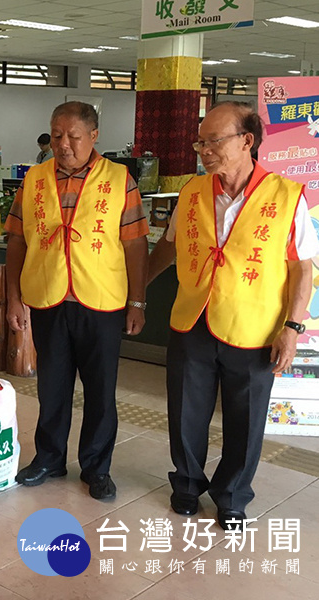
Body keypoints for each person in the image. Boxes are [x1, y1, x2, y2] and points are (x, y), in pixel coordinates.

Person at [147, 101, 319, 530]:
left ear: (247, 141)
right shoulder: (191, 191)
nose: (204, 150)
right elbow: (168, 246)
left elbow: (303, 267)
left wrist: (293, 328)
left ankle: (233, 496)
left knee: (245, 420)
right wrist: (136, 291)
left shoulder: (287, 195)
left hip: (255, 329)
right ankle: (187, 485)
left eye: (214, 141)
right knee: (185, 411)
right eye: (200, 142)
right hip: (193, 321)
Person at [5, 101, 149, 501]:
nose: (63, 144)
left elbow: (135, 245)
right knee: (52, 386)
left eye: (73, 136)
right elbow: (17, 240)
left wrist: (138, 302)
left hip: (101, 302)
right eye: (56, 135)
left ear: (94, 136)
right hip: (48, 299)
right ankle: (49, 458)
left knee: (101, 391)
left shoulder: (120, 179)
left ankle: (96, 468)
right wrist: (14, 299)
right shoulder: (33, 178)